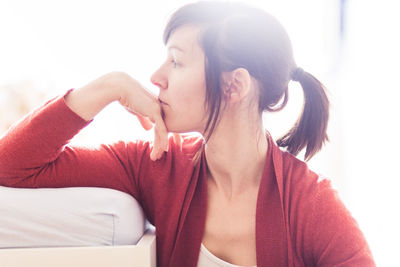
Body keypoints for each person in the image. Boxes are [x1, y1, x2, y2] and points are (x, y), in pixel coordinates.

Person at [0, 1, 375, 266]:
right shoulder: (157, 166)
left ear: (234, 87)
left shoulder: (310, 205)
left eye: (177, 61)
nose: (155, 77)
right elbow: (12, 166)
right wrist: (108, 87)